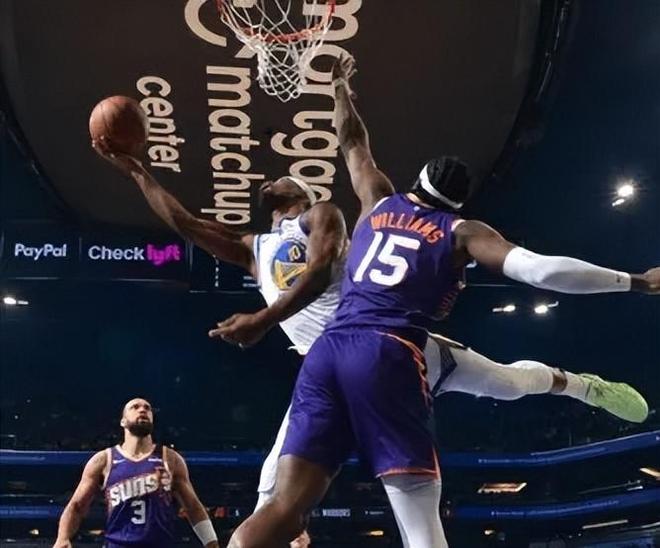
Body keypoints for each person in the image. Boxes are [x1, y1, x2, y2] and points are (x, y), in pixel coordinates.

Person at [225, 54, 660, 548]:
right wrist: (638, 281)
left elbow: (352, 142)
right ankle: (576, 385)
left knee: (281, 505)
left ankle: (581, 387)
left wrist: (340, 87)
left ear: (416, 183)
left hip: (327, 353)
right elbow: (540, 270)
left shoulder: (377, 199)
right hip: (390, 353)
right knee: (495, 404)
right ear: (457, 204)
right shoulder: (461, 231)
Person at [53, 398, 219, 548]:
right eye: (135, 407)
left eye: (147, 408)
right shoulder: (104, 460)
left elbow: (193, 506)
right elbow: (77, 506)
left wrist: (211, 542)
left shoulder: (170, 458)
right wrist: (62, 538)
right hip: (118, 543)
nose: (143, 410)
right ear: (123, 421)